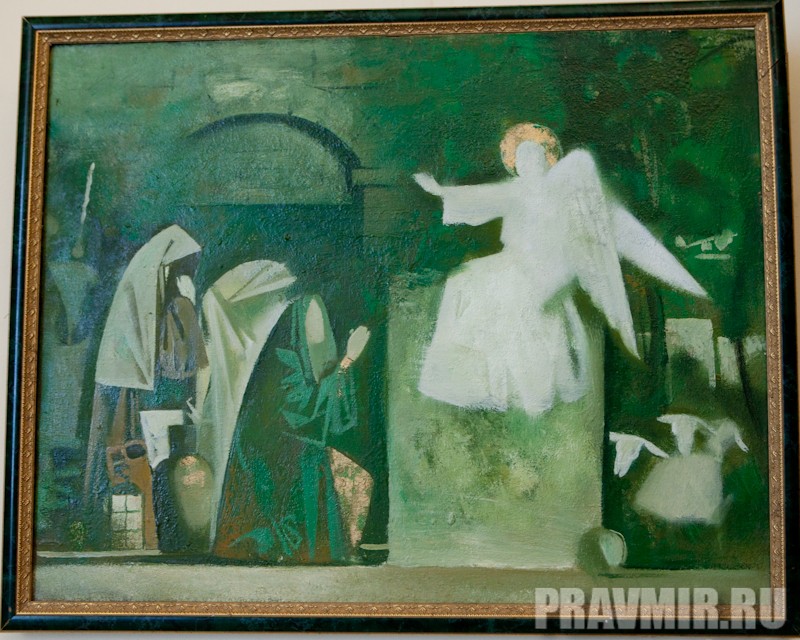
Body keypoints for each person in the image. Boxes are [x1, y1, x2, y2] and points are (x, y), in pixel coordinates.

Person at [414, 123, 707, 418]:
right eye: (522, 158)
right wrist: (439, 191)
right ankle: (471, 378)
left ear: (546, 160)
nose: (528, 163)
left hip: (540, 272)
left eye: (534, 156)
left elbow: (587, 235)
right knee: (462, 281)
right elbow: (481, 198)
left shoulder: (561, 193)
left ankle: (525, 390)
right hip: (512, 263)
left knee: (516, 304)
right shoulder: (515, 190)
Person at [212, 293, 371, 563]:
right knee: (315, 464)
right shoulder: (282, 357)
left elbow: (329, 417)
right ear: (298, 323)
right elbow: (302, 411)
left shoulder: (304, 358)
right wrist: (348, 361)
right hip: (269, 464)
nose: (319, 328)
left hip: (291, 453)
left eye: (321, 319)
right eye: (313, 318)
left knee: (332, 467)